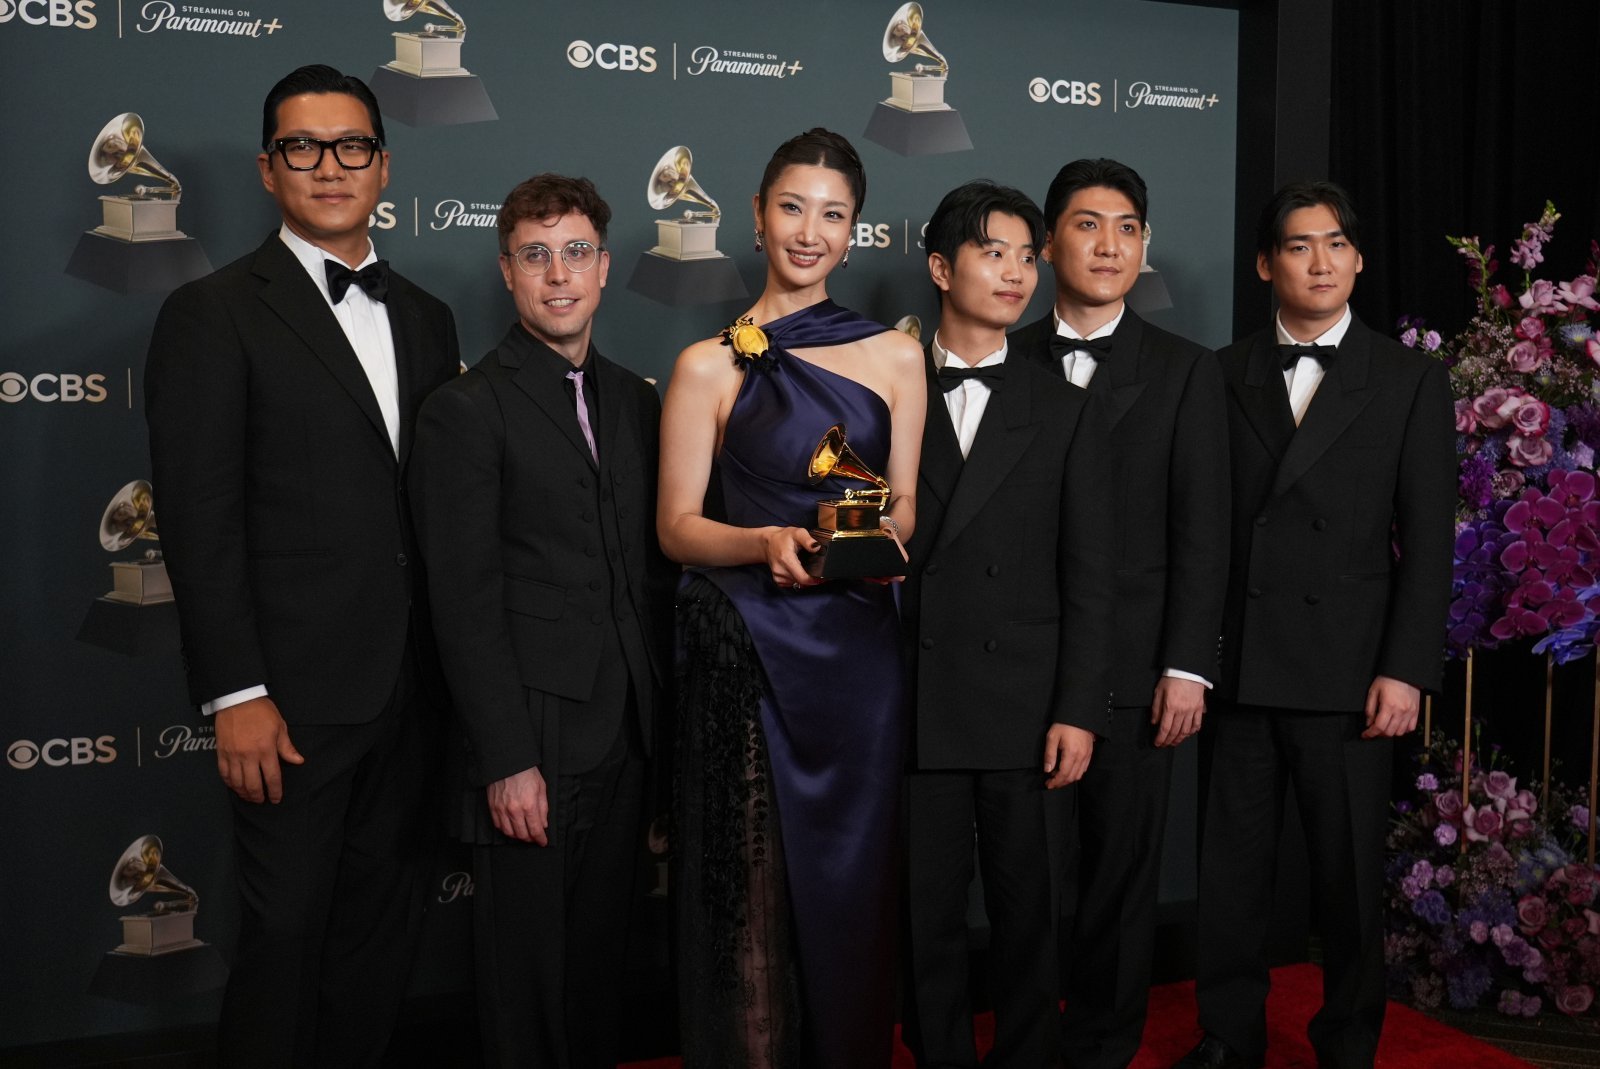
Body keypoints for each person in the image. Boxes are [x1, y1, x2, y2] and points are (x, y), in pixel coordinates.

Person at [144, 64, 460, 1066]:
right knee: (283, 941)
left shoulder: (426, 315)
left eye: (351, 145)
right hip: (288, 703)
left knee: (379, 938)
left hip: (414, 694)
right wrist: (236, 690)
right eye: (303, 147)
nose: (330, 166)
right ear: (269, 169)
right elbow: (198, 519)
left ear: (384, 163)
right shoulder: (213, 313)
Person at [657, 127, 926, 1068]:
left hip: (858, 657)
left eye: (833, 214)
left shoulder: (897, 354)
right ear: (758, 214)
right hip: (748, 651)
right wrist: (764, 542)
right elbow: (679, 528)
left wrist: (861, 547)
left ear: (856, 230)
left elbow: (904, 510)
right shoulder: (706, 364)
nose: (809, 231)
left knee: (853, 884)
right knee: (755, 891)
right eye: (792, 207)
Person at [1173, 180, 1453, 1069]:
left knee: (1345, 879)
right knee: (1231, 873)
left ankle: (1348, 1042)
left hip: (1352, 672)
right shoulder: (1220, 373)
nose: (1321, 261)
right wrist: (1193, 659)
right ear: (1267, 264)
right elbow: (1202, 533)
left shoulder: (1410, 379)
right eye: (1299, 246)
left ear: (1359, 258)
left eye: (1336, 244)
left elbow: (1430, 540)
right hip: (1246, 665)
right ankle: (1228, 1035)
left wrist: (1406, 668)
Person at [409, 173, 675, 1067]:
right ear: (508, 272)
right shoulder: (465, 410)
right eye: (535, 255)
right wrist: (507, 757)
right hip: (534, 733)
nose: (557, 275)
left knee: (603, 964)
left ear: (604, 267)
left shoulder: (639, 402)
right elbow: (463, 600)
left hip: (628, 732)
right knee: (526, 979)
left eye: (574, 253)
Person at [1009, 158, 1230, 1069]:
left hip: (1140, 669)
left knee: (1119, 878)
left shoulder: (1186, 372)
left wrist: (1187, 663)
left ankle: (1101, 1047)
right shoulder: (1001, 354)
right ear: (1049, 241)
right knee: (1026, 880)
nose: (1109, 244)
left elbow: (1203, 530)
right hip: (1022, 665)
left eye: (1128, 227)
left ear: (1144, 247)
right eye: (1089, 225)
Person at [899, 179, 1112, 1068]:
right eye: (995, 252)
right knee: (924, 922)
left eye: (1029, 255)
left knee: (1032, 919)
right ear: (943, 267)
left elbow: (1091, 577)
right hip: (913, 702)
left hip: (1027, 710)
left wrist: (1078, 706)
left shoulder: (1064, 405)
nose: (1018, 273)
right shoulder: (885, 391)